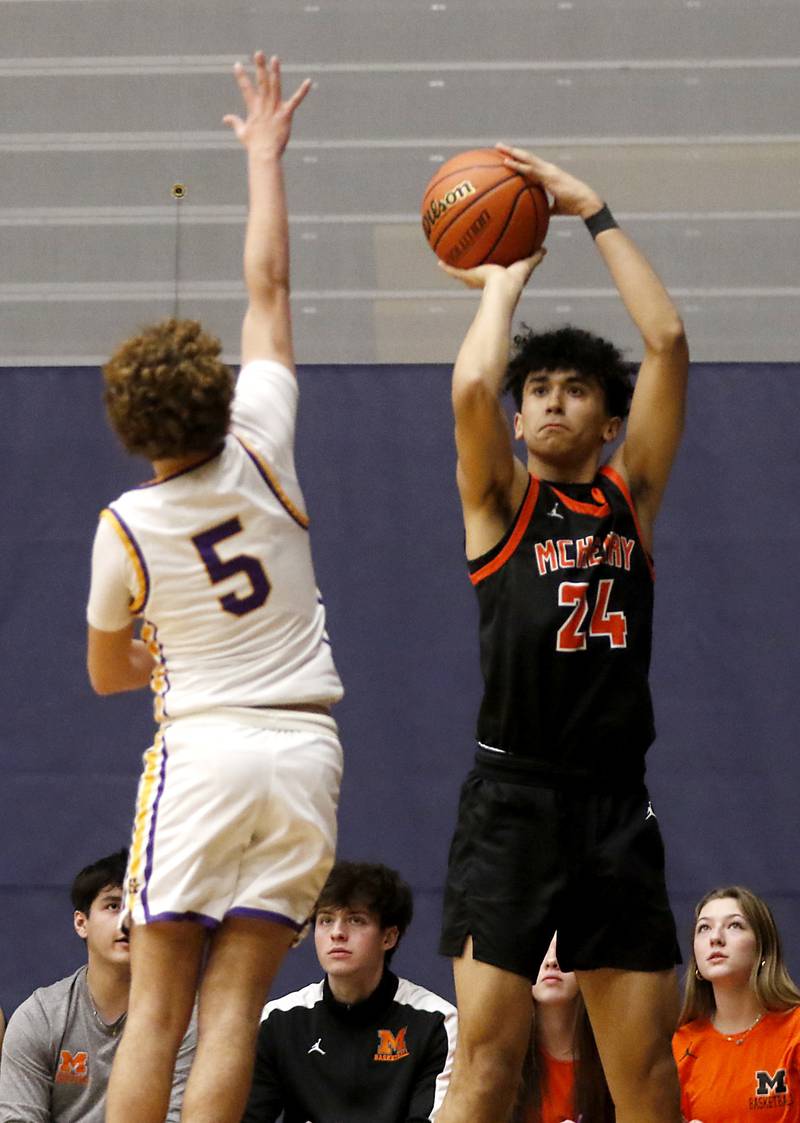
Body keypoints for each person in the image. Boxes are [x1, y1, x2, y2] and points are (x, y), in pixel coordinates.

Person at [85, 53, 344, 1123]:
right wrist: (264, 155)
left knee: (158, 1009)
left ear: (128, 425)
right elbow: (269, 289)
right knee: (234, 1007)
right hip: (304, 750)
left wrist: (156, 649)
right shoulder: (265, 442)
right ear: (214, 392)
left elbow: (108, 674)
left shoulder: (127, 528)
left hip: (203, 748)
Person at [435, 144, 689, 1123]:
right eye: (534, 385)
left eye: (572, 387)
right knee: (486, 1067)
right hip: (510, 804)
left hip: (614, 807)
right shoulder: (499, 503)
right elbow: (469, 392)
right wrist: (502, 282)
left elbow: (664, 341)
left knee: (645, 1077)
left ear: (604, 417)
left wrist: (593, 211)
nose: (546, 398)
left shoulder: (630, 497)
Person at [242, 861, 457, 1122]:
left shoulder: (437, 1022)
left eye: (355, 920)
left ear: (389, 937)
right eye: (326, 920)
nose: (337, 933)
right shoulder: (279, 1020)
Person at [0, 849, 195, 1122]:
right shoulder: (40, 1017)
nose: (128, 921)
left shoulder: (188, 1018)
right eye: (114, 906)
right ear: (82, 923)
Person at [673, 885, 800, 1122]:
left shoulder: (795, 1030)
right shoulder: (680, 1046)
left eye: (734, 925)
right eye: (704, 928)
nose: (715, 938)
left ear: (763, 950)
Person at [512, 935, 614, 1123]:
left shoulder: (613, 1061)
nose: (551, 961)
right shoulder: (506, 1059)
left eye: (565, 949)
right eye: (541, 949)